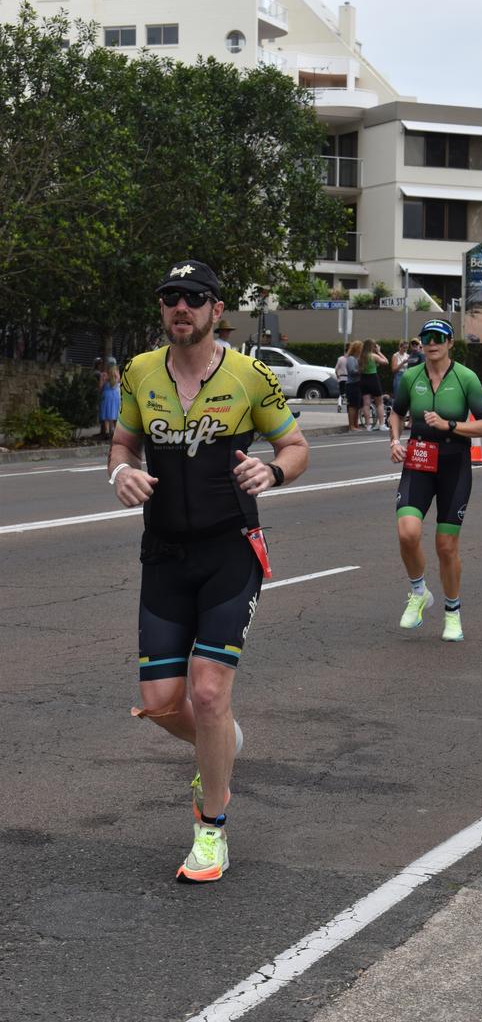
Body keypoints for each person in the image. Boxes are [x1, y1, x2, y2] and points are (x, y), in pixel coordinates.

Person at [107, 259, 309, 882]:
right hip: (164, 554)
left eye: (194, 298)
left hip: (229, 550)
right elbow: (123, 443)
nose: (180, 308)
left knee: (209, 691)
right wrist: (121, 472)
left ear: (217, 310)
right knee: (162, 702)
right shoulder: (141, 371)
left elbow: (296, 447)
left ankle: (211, 825)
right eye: (170, 298)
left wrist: (272, 471)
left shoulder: (249, 376)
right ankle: (220, 745)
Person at [389, 319, 482, 642]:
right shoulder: (410, 377)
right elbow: (396, 411)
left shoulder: (466, 379)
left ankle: (452, 613)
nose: (431, 343)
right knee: (407, 533)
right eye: (426, 338)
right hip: (418, 460)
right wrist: (394, 439)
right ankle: (419, 592)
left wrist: (451, 425)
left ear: (450, 343)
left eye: (439, 338)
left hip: (454, 464)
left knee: (446, 546)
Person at [360, 339, 388, 430]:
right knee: (379, 403)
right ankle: (382, 425)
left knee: (366, 404)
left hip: (363, 379)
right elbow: (385, 362)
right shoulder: (373, 356)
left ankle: (368, 425)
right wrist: (379, 352)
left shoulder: (361, 357)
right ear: (372, 346)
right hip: (373, 379)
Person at [99, 356, 121, 440]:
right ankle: (115, 433)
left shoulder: (103, 374)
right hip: (116, 395)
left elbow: (100, 387)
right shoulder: (117, 373)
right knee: (115, 414)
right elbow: (119, 384)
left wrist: (104, 383)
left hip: (106, 395)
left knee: (106, 415)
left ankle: (107, 433)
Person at [345, 339, 363, 431]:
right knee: (352, 405)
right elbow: (352, 371)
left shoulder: (357, 358)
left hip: (357, 384)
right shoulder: (351, 358)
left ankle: (356, 425)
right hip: (352, 384)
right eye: (361, 348)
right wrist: (361, 370)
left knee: (357, 405)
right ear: (357, 349)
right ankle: (351, 425)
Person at [335, 346, 349, 413]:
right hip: (349, 378)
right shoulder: (351, 359)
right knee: (349, 394)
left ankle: (339, 404)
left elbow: (336, 369)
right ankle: (349, 407)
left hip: (341, 378)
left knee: (341, 393)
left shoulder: (340, 359)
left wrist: (337, 376)